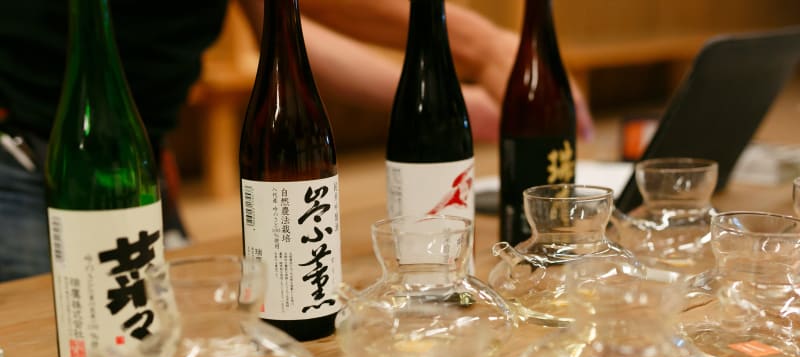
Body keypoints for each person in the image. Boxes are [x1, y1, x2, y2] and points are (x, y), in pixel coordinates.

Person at [0, 0, 593, 282]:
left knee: (157, 331)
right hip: (25, 150)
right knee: (67, 351)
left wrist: (451, 100)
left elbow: (283, 27)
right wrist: (482, 43)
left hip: (142, 154)